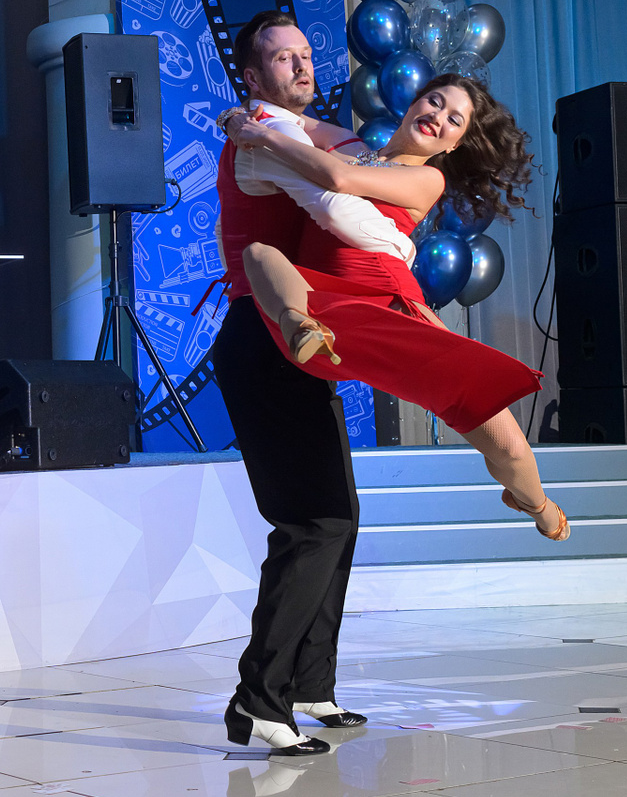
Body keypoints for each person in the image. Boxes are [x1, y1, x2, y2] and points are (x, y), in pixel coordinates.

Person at [226, 74, 568, 548]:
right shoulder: (352, 147)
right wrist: (238, 116)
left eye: (454, 120)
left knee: (506, 446)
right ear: (413, 104)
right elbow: (290, 118)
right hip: (326, 304)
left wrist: (260, 136)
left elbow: (338, 179)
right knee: (259, 254)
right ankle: (301, 327)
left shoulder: (428, 178)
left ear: (454, 144)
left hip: (390, 304)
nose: (437, 117)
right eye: (434, 102)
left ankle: (537, 504)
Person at [207, 10, 370, 758]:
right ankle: (260, 701)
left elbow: (344, 154)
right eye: (282, 58)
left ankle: (309, 685)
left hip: (296, 339)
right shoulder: (263, 136)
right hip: (265, 338)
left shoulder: (285, 131)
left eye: (305, 54)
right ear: (252, 76)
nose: (302, 67)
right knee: (312, 523)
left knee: (339, 516)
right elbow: (345, 180)